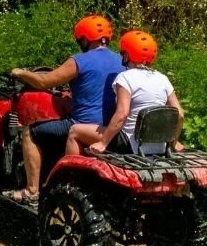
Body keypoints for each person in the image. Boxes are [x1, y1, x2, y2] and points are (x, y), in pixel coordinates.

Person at [8, 15, 121, 203]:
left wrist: (22, 73)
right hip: (109, 129)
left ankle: (32, 190)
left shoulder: (80, 61)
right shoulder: (121, 61)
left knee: (29, 131)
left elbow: (45, 81)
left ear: (85, 38)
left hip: (82, 126)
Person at [67, 29, 183, 157]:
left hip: (131, 144)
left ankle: (70, 175)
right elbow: (180, 114)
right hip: (160, 145)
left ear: (127, 55)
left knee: (74, 131)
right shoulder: (162, 78)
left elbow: (122, 114)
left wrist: (103, 143)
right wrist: (174, 141)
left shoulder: (125, 78)